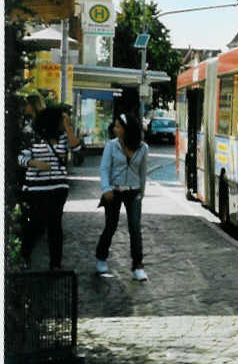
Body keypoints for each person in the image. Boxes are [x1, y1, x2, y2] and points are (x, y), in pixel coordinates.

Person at [17, 105, 82, 269]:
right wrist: (35, 163)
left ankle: (55, 263)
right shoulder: (33, 136)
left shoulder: (62, 137)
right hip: (36, 189)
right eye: (62, 119)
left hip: (58, 188)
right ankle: (25, 256)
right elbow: (20, 158)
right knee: (36, 224)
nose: (63, 122)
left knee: (55, 225)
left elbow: (76, 148)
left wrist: (68, 127)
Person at [95, 112, 150, 281]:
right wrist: (106, 188)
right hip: (114, 191)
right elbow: (104, 168)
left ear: (127, 129)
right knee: (111, 225)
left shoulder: (142, 148)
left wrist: (142, 192)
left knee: (135, 228)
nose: (115, 128)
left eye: (118, 126)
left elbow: (143, 172)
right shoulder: (111, 146)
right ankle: (101, 257)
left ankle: (138, 265)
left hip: (133, 192)